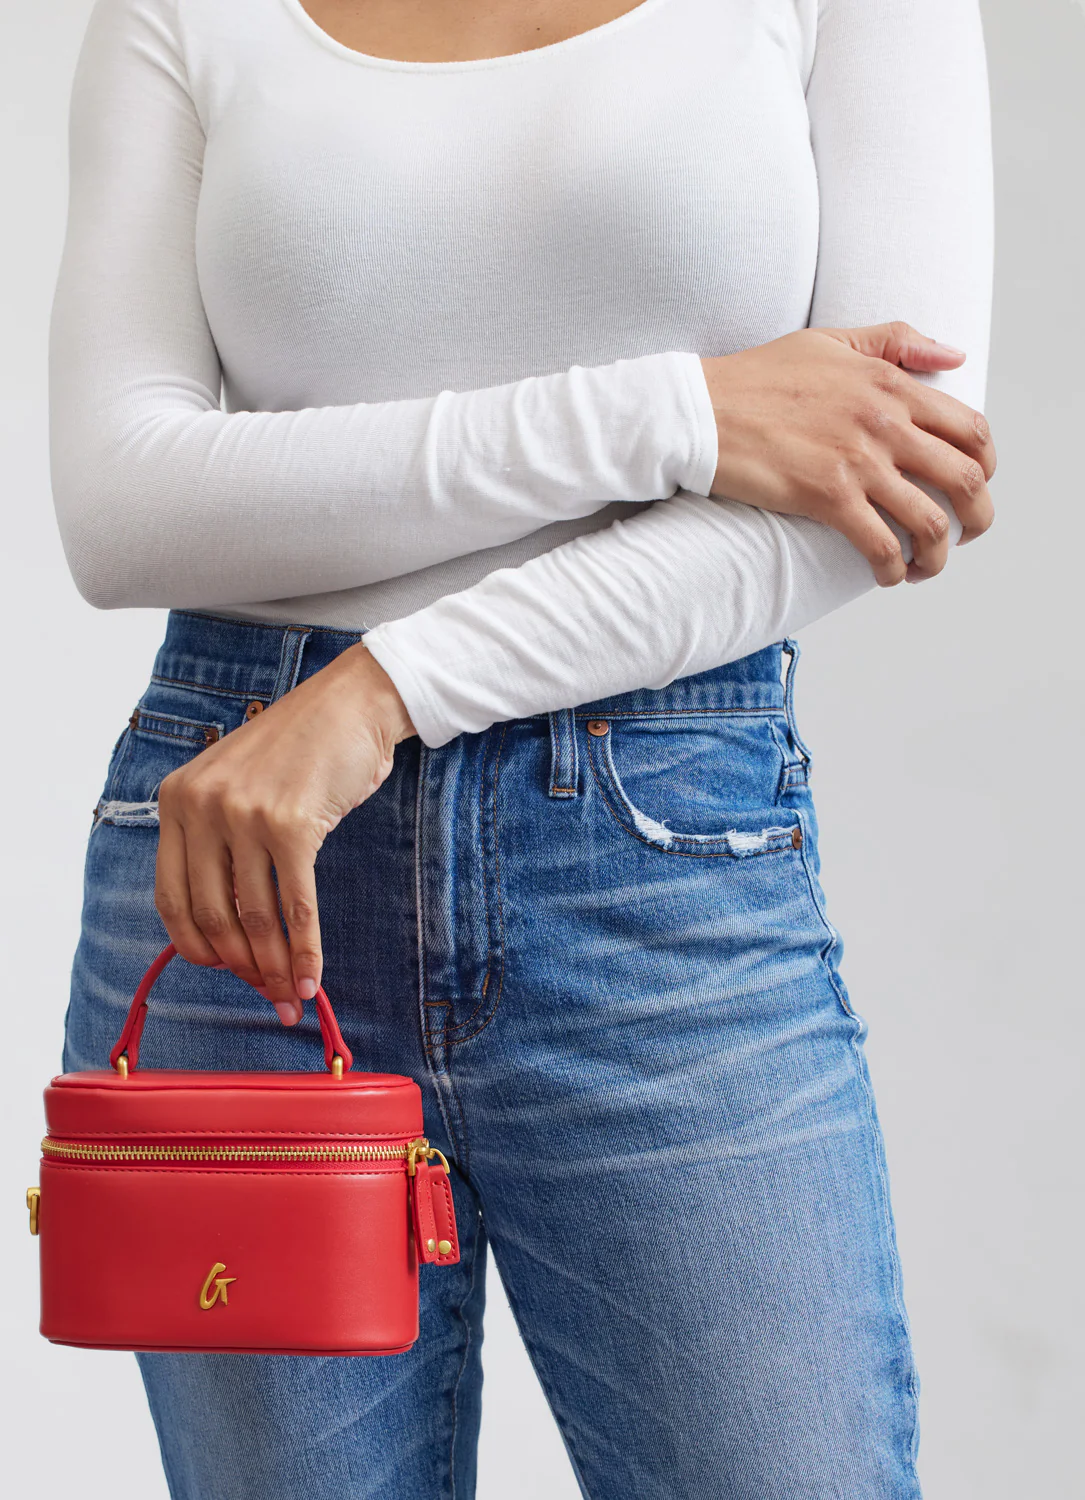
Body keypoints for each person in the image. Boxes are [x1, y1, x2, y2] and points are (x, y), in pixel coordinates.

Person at [49, 0, 994, 1494]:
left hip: (647, 869)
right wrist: (679, 414)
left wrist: (385, 688)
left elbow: (880, 481)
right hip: (247, 882)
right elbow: (125, 504)